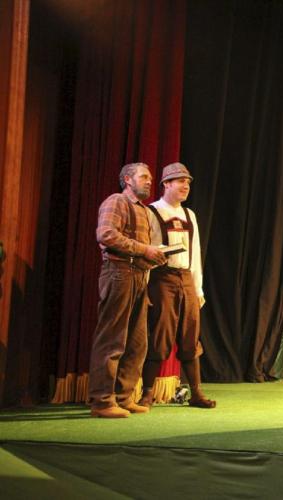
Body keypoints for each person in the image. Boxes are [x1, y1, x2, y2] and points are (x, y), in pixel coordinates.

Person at [88, 162, 167, 418]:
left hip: (139, 276)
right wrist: (145, 250)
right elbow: (106, 234)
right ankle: (102, 401)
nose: (149, 181)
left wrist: (154, 257)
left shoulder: (143, 210)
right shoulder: (117, 201)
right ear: (127, 179)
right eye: (144, 177)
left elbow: (142, 249)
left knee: (137, 342)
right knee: (112, 339)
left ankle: (123, 397)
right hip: (119, 273)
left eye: (150, 177)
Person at [138, 163, 216, 409]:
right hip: (162, 279)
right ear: (166, 184)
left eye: (188, 182)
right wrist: (145, 289)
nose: (186, 186)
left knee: (190, 336)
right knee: (160, 335)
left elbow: (196, 254)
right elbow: (145, 251)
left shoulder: (189, 215)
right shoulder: (152, 212)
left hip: (186, 279)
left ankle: (196, 393)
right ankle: (147, 393)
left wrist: (198, 289)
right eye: (181, 181)